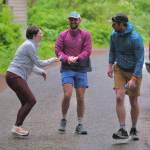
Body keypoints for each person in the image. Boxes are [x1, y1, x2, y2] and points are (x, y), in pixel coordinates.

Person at [5, 26, 58, 136]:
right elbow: (39, 63)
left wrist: (41, 72)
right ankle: (17, 127)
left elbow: (31, 65)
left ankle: (17, 127)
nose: (42, 35)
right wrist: (52, 60)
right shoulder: (29, 45)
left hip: (12, 76)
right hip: (15, 76)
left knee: (26, 102)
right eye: (40, 33)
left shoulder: (30, 45)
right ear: (34, 35)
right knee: (31, 100)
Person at [107, 13, 144, 142]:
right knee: (119, 97)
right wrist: (110, 65)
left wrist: (134, 78)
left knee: (133, 101)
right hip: (120, 70)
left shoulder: (135, 38)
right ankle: (122, 129)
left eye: (115, 23)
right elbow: (112, 51)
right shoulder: (114, 35)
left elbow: (140, 60)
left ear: (122, 24)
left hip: (134, 71)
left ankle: (133, 127)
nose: (113, 25)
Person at [55, 11, 92, 134]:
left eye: (75, 19)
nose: (73, 21)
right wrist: (67, 58)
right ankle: (63, 119)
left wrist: (77, 58)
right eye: (71, 19)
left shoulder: (86, 34)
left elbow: (87, 50)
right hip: (67, 68)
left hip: (81, 68)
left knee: (80, 97)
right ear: (68, 21)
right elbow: (58, 50)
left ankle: (80, 124)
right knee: (67, 95)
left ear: (79, 21)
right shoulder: (63, 35)